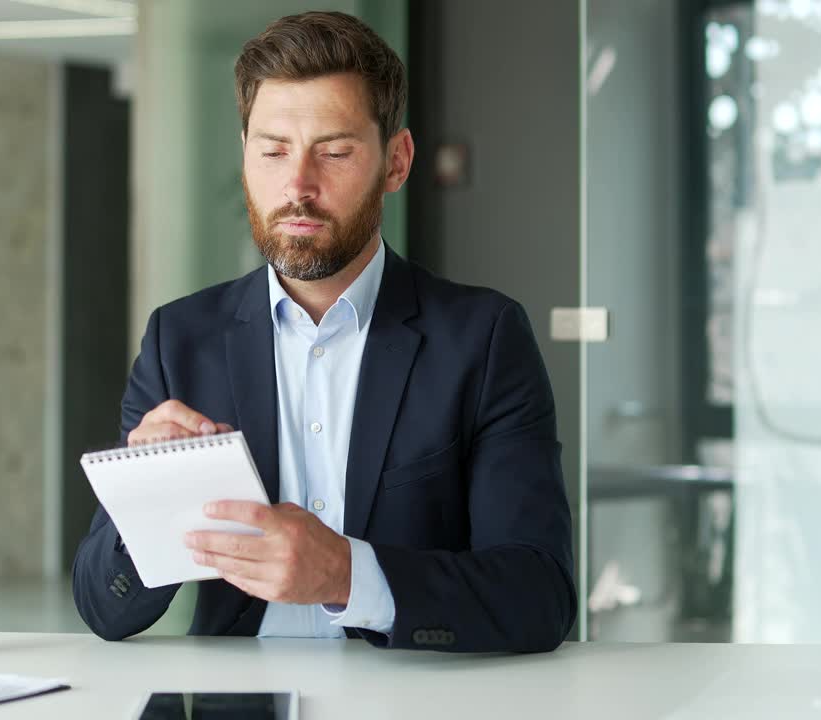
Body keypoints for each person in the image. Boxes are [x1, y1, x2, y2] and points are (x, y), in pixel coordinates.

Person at [73, 10, 575, 653]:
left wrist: (346, 574)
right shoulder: (180, 340)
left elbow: (538, 593)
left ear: (397, 162)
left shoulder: (484, 338)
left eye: (334, 152)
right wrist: (148, 500)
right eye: (273, 150)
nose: (297, 186)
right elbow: (102, 608)